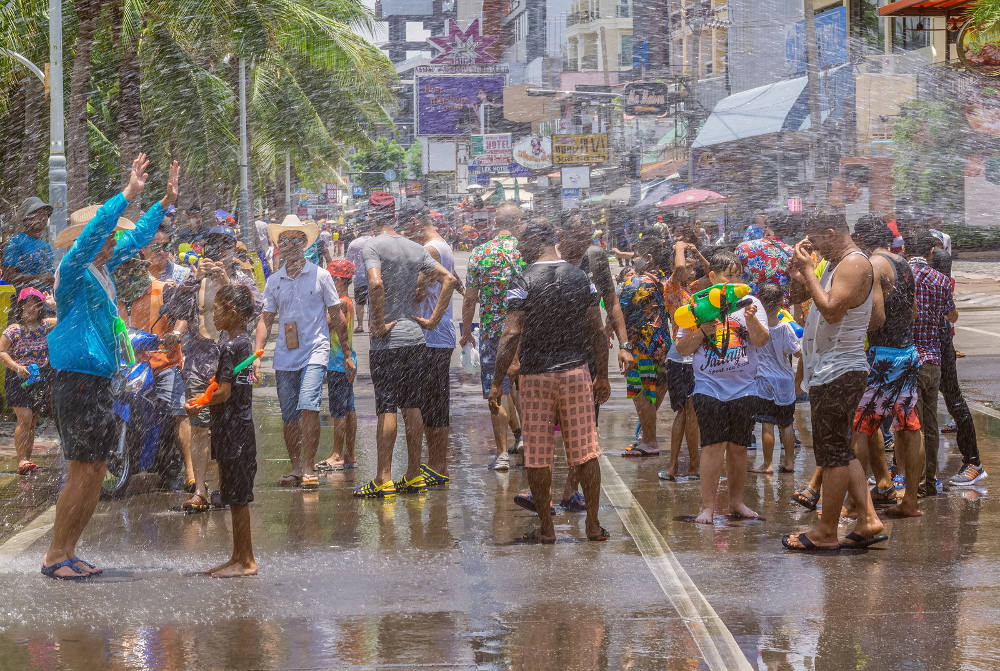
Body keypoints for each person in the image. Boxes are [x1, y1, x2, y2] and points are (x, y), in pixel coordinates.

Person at [41, 154, 178, 580]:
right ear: (91, 239)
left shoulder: (103, 270)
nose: (113, 241)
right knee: (81, 468)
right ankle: (54, 555)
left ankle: (70, 551)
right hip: (76, 379)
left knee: (98, 468)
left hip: (101, 378)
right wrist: (129, 193)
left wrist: (163, 203)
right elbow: (101, 228)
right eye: (107, 236)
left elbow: (137, 239)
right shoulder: (75, 268)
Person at [487, 220, 611, 543]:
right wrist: (603, 375)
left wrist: (497, 380)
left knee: (538, 454)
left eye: (522, 242)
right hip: (576, 372)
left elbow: (511, 333)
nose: (519, 249)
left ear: (534, 242)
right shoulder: (580, 277)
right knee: (586, 450)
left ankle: (547, 527)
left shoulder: (524, 280)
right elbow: (597, 330)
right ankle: (593, 525)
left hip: (536, 376)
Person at [783, 213, 886, 552]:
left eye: (816, 239)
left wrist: (811, 271)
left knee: (831, 456)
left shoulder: (855, 264)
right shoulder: (833, 262)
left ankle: (826, 531)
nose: (812, 246)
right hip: (829, 369)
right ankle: (869, 520)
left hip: (840, 370)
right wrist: (799, 271)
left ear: (831, 233)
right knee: (840, 449)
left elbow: (830, 310)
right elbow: (799, 298)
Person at [353, 194, 456, 499]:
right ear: (395, 216)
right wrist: (433, 320)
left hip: (388, 341)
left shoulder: (372, 245)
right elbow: (449, 280)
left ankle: (383, 477)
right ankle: (413, 474)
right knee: (413, 405)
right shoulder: (414, 248)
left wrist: (379, 323)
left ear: (373, 217)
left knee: (386, 406)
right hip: (416, 338)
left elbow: (375, 284)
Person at [256, 215, 355, 490]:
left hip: (316, 350)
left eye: (292, 240)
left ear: (303, 243)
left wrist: (346, 354)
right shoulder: (274, 281)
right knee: (289, 415)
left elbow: (336, 316)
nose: (286, 245)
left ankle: (309, 467)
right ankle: (296, 467)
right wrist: (257, 354)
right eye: (282, 241)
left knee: (308, 406)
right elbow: (265, 319)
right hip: (285, 356)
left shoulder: (321, 276)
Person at [675, 252, 769, 525]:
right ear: (713, 277)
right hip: (709, 387)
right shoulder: (697, 304)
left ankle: (736, 502)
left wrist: (750, 319)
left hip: (745, 389)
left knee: (739, 448)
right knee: (712, 447)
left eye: (739, 275)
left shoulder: (750, 303)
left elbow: (762, 341)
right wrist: (703, 330)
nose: (735, 281)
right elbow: (681, 349)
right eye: (729, 275)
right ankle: (707, 507)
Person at [173, 224, 262, 509]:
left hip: (235, 361)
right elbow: (174, 308)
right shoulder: (193, 277)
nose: (218, 252)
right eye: (212, 246)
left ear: (233, 249)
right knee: (199, 427)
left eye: (224, 246)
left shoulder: (240, 278)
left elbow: (258, 309)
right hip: (199, 362)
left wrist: (227, 284)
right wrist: (192, 281)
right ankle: (200, 490)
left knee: (234, 423)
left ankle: (230, 488)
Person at [849, 215, 922, 518]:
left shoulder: (874, 266)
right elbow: (913, 312)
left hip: (882, 357)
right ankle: (911, 502)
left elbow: (876, 318)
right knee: (908, 426)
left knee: (860, 429)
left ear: (864, 239)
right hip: (907, 352)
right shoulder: (904, 263)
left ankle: (856, 506)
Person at [185, 284, 259, 578]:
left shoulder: (231, 346)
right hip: (237, 427)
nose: (212, 315)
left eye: (216, 309)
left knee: (239, 499)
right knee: (233, 496)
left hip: (234, 429)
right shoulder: (240, 341)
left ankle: (246, 560)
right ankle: (237, 556)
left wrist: (199, 403)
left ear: (232, 311)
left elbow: (224, 392)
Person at [461, 202, 526, 471]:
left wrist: (466, 331)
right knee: (523, 388)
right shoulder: (525, 252)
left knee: (495, 391)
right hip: (523, 332)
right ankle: (528, 440)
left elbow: (470, 297)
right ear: (519, 222)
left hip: (492, 335)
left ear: (495, 223)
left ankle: (501, 455)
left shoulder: (480, 254)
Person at [401, 198, 460, 488]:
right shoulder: (444, 245)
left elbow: (418, 292)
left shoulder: (428, 249)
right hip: (440, 334)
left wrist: (433, 318)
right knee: (436, 401)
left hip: (430, 335)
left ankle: (437, 465)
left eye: (406, 228)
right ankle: (437, 464)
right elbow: (456, 281)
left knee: (429, 403)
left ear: (414, 223)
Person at [927, 231, 985, 486]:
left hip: (938, 342)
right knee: (940, 403)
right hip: (937, 342)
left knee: (953, 400)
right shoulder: (940, 279)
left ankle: (973, 462)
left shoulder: (936, 277)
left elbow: (952, 315)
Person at [904, 228, 959, 498]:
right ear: (930, 252)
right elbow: (953, 315)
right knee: (930, 426)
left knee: (907, 424)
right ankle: (929, 481)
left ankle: (908, 482)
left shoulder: (900, 276)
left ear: (904, 249)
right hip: (933, 360)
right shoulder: (941, 280)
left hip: (906, 360)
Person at [618, 231, 674, 457]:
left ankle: (649, 441)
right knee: (654, 393)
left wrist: (623, 345)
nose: (633, 259)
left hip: (640, 345)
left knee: (640, 392)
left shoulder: (637, 282)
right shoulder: (666, 280)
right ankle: (646, 438)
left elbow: (617, 310)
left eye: (637, 255)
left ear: (649, 258)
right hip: (662, 344)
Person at [659, 240, 708, 481]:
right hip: (680, 358)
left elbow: (714, 275)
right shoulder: (672, 288)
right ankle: (689, 465)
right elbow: (678, 270)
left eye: (692, 268)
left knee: (688, 412)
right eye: (687, 267)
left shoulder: (694, 289)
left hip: (693, 356)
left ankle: (677, 465)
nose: (690, 271)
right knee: (687, 412)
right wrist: (679, 247)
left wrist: (697, 252)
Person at [0, 288, 57, 475]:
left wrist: (54, 305)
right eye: (27, 303)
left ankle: (27, 461)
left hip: (38, 380)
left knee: (32, 421)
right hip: (17, 379)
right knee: (24, 419)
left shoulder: (46, 325)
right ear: (21, 306)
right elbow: (2, 352)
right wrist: (17, 367)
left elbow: (66, 319)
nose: (30, 307)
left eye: (35, 303)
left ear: (40, 307)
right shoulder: (13, 330)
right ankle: (22, 459)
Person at [749, 283, 799, 475]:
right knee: (786, 422)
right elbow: (798, 352)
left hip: (763, 380)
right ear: (782, 303)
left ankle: (767, 464)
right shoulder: (785, 327)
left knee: (767, 422)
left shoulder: (755, 325)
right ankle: (789, 462)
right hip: (785, 380)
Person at [315, 259, 358, 472]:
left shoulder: (340, 303)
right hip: (346, 360)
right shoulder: (348, 301)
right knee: (349, 408)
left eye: (332, 279)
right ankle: (349, 453)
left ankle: (337, 454)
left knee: (339, 410)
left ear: (340, 280)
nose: (329, 282)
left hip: (337, 361)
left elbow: (324, 324)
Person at [735, 212, 794, 305]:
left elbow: (733, 279)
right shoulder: (791, 253)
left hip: (749, 310)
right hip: (779, 312)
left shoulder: (743, 248)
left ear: (766, 227)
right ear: (788, 231)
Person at [3, 196, 55, 291]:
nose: (43, 218)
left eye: (46, 214)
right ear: (26, 218)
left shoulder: (45, 245)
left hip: (47, 302)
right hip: (25, 303)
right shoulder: (16, 242)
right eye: (39, 214)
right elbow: (8, 276)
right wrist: (38, 278)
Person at [345, 208, 376, 333]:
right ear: (370, 230)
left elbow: (348, 263)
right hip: (374, 276)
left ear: (359, 231)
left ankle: (359, 325)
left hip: (359, 278)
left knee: (360, 302)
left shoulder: (354, 243)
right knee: (373, 303)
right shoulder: (375, 241)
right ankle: (371, 325)